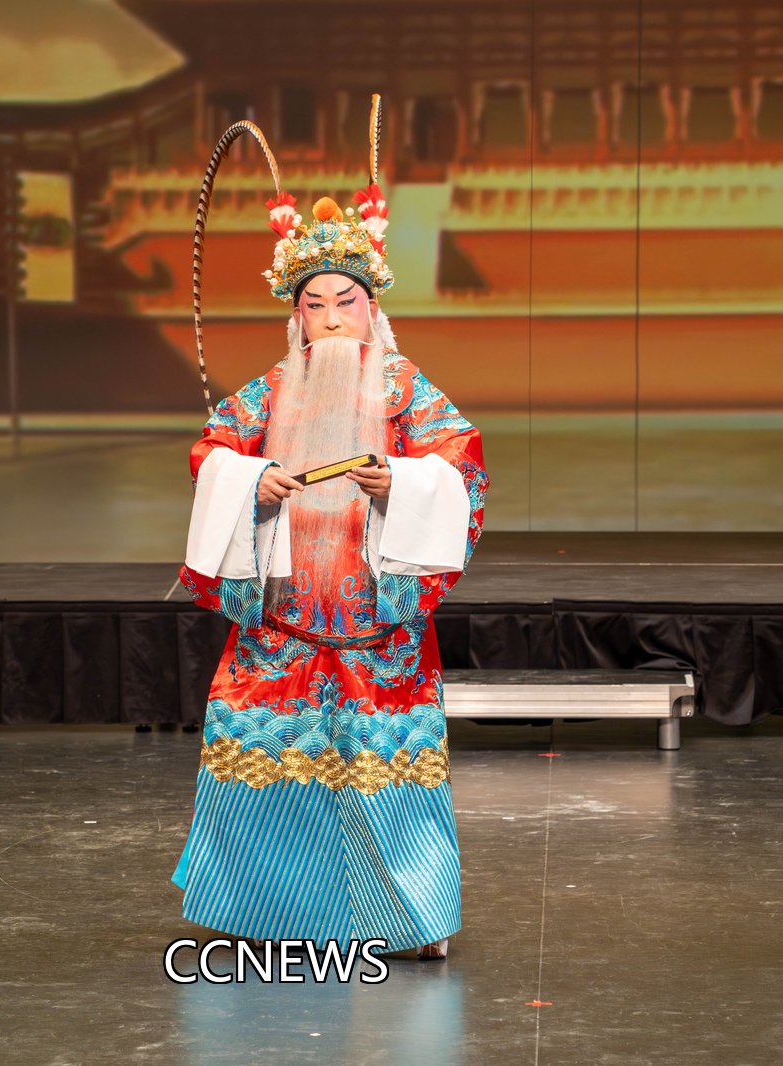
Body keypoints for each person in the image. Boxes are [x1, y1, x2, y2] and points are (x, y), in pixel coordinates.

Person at [172, 175, 487, 960]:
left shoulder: (405, 389)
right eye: (315, 305)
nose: (333, 317)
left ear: (371, 308)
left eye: (346, 301)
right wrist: (253, 481)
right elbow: (212, 449)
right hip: (282, 622)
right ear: (297, 316)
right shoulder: (273, 389)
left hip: (376, 627)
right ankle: (260, 912)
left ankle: (411, 920)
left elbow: (461, 460)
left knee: (386, 771)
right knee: (262, 764)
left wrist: (401, 484)